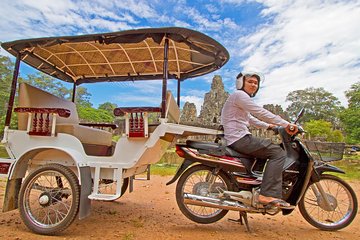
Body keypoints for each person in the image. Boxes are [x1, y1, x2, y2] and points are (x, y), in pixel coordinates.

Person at [221, 71, 298, 208]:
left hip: (239, 137)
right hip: (239, 138)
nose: (253, 85)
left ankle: (253, 185)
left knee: (266, 152)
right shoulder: (240, 95)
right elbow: (259, 111)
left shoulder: (240, 99)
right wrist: (286, 124)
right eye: (250, 81)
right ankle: (266, 194)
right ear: (241, 83)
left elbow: (250, 118)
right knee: (278, 153)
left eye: (256, 83)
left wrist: (269, 126)